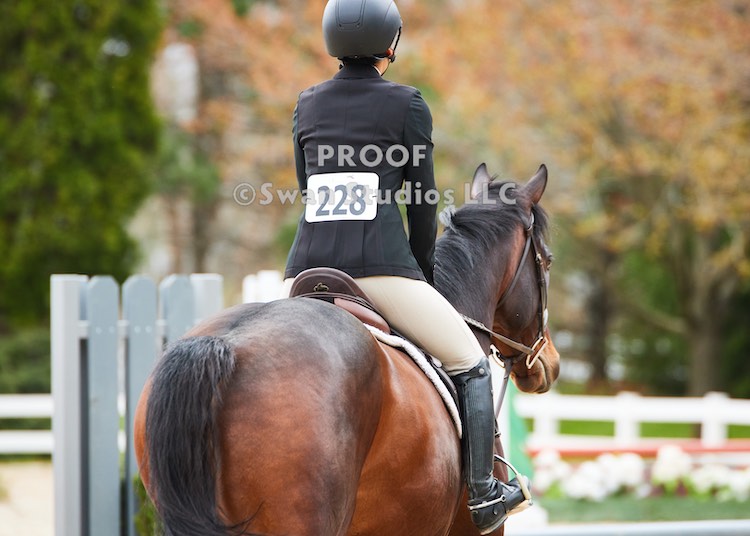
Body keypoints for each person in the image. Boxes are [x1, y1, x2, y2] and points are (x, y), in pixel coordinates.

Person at [281, 0, 527, 532]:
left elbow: (307, 189)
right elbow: (421, 203)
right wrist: (422, 273)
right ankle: (484, 493)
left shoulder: (306, 103)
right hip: (380, 269)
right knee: (470, 361)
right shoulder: (407, 103)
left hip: (304, 273)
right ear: (390, 43)